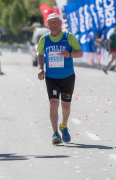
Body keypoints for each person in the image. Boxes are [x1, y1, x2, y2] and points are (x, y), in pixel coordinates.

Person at [37, 13, 83, 145]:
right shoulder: (44, 39)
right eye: (50, 23)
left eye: (55, 22)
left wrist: (70, 54)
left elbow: (80, 53)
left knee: (66, 106)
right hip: (52, 78)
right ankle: (55, 133)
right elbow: (40, 54)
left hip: (68, 77)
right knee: (53, 104)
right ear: (47, 25)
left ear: (60, 23)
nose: (53, 25)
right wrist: (41, 68)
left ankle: (64, 125)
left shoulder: (68, 37)